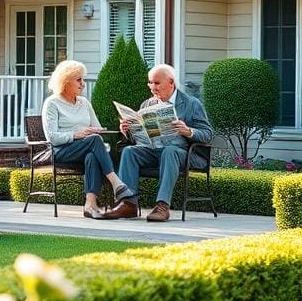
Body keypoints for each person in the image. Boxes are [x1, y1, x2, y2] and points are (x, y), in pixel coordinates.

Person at [102, 63, 214, 222]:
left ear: (171, 82)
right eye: (150, 82)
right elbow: (139, 138)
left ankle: (162, 206)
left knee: (170, 150)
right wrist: (127, 130)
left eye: (156, 83)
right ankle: (128, 204)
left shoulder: (191, 103)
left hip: (182, 153)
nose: (152, 87)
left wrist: (188, 131)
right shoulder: (147, 104)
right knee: (129, 151)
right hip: (152, 150)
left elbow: (208, 134)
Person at [41, 60, 134, 218]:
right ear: (65, 81)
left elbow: (97, 129)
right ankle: (116, 183)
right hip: (60, 150)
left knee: (92, 153)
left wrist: (117, 127)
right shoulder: (52, 103)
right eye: (79, 80)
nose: (83, 84)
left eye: (83, 79)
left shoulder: (84, 103)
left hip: (85, 148)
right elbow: (52, 138)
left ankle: (90, 205)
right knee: (93, 141)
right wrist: (78, 134)